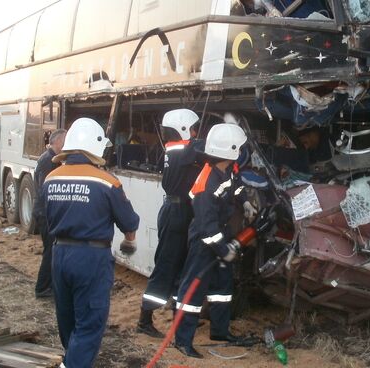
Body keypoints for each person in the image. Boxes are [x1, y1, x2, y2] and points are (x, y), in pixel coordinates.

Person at [42, 118, 140, 367]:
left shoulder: (51, 178)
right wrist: (129, 243)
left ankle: (72, 358)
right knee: (89, 323)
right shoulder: (107, 181)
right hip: (90, 259)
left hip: (59, 254)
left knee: (68, 319)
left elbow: (42, 214)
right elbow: (129, 222)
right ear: (96, 147)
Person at [173, 123, 248, 358]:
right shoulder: (207, 183)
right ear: (231, 150)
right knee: (193, 291)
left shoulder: (226, 169)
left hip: (219, 232)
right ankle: (182, 340)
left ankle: (220, 331)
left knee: (222, 287)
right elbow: (206, 227)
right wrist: (222, 248)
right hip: (204, 241)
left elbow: (234, 187)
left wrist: (244, 200)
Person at [136, 109, 203, 338]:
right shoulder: (179, 149)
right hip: (176, 212)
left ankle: (178, 315)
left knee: (181, 269)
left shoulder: (181, 150)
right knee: (166, 267)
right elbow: (202, 149)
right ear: (183, 127)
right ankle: (144, 320)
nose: (195, 133)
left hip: (182, 211)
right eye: (193, 128)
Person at [34, 129, 66, 298]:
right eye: (65, 142)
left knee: (52, 251)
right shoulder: (48, 161)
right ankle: (42, 288)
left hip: (47, 213)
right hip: (45, 214)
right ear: (58, 142)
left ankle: (49, 285)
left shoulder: (51, 159)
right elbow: (45, 190)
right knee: (50, 251)